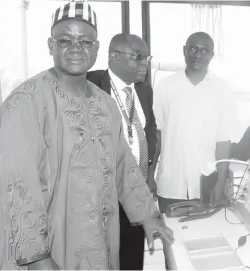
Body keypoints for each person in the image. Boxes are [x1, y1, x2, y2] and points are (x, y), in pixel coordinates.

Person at [0, 1, 173, 270]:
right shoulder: (25, 102)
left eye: (85, 42)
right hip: (50, 247)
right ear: (50, 45)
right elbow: (18, 185)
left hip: (99, 238)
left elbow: (123, 164)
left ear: (97, 49)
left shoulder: (105, 103)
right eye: (65, 40)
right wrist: (37, 257)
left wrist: (147, 214)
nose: (76, 47)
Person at [87, 33, 157, 271]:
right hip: (104, 195)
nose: (144, 64)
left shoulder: (145, 91)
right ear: (113, 56)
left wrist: (149, 176)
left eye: (146, 58)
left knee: (133, 258)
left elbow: (150, 133)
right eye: (138, 57)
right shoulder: (91, 84)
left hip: (137, 191)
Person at [153, 32, 238, 213]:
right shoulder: (165, 86)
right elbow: (156, 136)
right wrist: (148, 176)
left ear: (211, 55)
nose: (198, 55)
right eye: (193, 48)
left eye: (204, 50)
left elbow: (224, 143)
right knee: (169, 238)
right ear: (184, 50)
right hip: (170, 185)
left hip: (206, 186)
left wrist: (221, 182)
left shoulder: (223, 90)